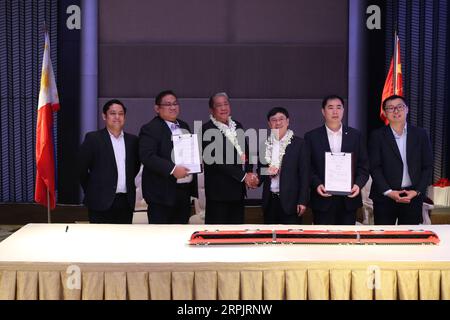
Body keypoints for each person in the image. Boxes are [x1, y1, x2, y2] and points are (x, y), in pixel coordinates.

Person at [304, 94, 369, 225]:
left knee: (347, 241)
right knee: (323, 241)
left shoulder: (355, 135)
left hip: (349, 199)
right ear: (323, 111)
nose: (335, 111)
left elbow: (364, 166)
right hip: (322, 199)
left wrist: (358, 185)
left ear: (343, 111)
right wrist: (317, 184)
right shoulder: (312, 137)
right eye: (330, 107)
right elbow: (307, 167)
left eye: (339, 107)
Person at [368, 95, 433, 224]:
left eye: (400, 107)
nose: (396, 111)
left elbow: (427, 166)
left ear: (407, 109)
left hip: (412, 197)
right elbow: (375, 167)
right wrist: (389, 192)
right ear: (385, 113)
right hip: (385, 197)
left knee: (410, 240)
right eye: (390, 108)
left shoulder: (420, 134)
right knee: (384, 240)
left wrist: (417, 191)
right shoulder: (377, 136)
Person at [139, 90, 198, 224]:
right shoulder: (150, 128)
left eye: (175, 103)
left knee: (181, 235)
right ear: (157, 108)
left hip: (183, 192)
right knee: (160, 237)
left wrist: (196, 161)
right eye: (168, 104)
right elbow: (147, 156)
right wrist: (172, 169)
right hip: (161, 194)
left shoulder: (184, 125)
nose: (173, 107)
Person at [79, 99, 140, 223]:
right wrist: (93, 189)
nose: (117, 117)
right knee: (100, 240)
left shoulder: (133, 141)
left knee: (123, 240)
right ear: (104, 116)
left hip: (125, 202)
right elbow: (81, 170)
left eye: (121, 113)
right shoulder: (93, 138)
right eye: (113, 113)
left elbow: (135, 167)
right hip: (99, 201)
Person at [202, 92, 258, 224]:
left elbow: (246, 152)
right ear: (212, 110)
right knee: (218, 235)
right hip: (218, 193)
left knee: (236, 232)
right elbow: (215, 161)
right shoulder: (206, 129)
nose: (223, 108)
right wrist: (244, 176)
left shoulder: (237, 125)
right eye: (219, 105)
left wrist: (249, 171)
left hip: (238, 191)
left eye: (226, 104)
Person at [258, 107, 310, 224]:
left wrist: (302, 201)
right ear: (269, 124)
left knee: (290, 239)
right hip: (270, 201)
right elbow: (260, 171)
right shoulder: (265, 145)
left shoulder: (299, 144)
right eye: (274, 120)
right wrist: (267, 172)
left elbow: (305, 174)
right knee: (270, 239)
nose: (278, 123)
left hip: (292, 202)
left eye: (281, 119)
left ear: (288, 121)